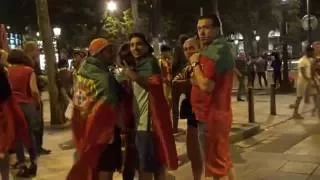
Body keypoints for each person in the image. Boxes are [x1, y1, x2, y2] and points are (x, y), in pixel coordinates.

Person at [119, 33, 178, 180]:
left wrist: (131, 74)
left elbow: (152, 84)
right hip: (142, 124)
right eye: (132, 45)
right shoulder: (139, 65)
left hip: (147, 125)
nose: (135, 48)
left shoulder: (149, 63)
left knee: (145, 170)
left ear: (147, 47)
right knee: (156, 166)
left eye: (139, 44)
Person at [67, 38, 124, 180]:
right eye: (109, 51)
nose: (113, 54)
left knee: (93, 169)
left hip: (87, 130)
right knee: (105, 168)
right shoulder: (105, 78)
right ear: (99, 53)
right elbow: (112, 105)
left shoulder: (82, 74)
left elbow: (79, 104)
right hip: (105, 134)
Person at [189, 14, 236, 180]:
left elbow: (206, 85)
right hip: (216, 115)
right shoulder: (215, 50)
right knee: (224, 162)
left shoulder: (215, 52)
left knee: (215, 168)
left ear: (217, 29)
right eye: (199, 28)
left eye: (207, 27)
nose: (202, 32)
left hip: (211, 116)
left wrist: (194, 63)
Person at [7, 49, 40, 177]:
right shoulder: (29, 71)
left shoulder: (6, 72)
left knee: (17, 138)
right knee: (29, 134)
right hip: (27, 105)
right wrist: (37, 104)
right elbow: (34, 90)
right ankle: (33, 162)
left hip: (12, 106)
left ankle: (22, 165)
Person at [173, 37, 203, 180]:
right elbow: (176, 81)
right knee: (192, 150)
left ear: (199, 47)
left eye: (191, 47)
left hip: (204, 112)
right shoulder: (187, 67)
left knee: (202, 150)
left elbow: (204, 84)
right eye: (185, 49)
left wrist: (189, 82)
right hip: (191, 111)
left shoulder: (202, 64)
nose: (188, 51)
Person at [23, 41, 51, 155]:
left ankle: (37, 147)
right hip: (32, 98)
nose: (39, 52)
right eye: (37, 50)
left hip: (31, 97)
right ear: (31, 51)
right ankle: (36, 148)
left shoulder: (32, 63)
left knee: (36, 125)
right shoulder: (28, 65)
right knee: (36, 125)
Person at [172, 34, 189, 133]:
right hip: (187, 78)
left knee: (175, 105)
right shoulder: (188, 50)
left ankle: (175, 127)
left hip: (177, 80)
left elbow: (174, 64)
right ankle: (192, 126)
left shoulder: (178, 49)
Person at [292, 46, 314, 119]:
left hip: (305, 81)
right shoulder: (302, 60)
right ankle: (295, 113)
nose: (313, 54)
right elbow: (303, 73)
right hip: (302, 82)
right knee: (299, 97)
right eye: (312, 52)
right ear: (308, 52)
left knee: (300, 97)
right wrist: (309, 80)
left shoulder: (307, 60)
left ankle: (295, 111)